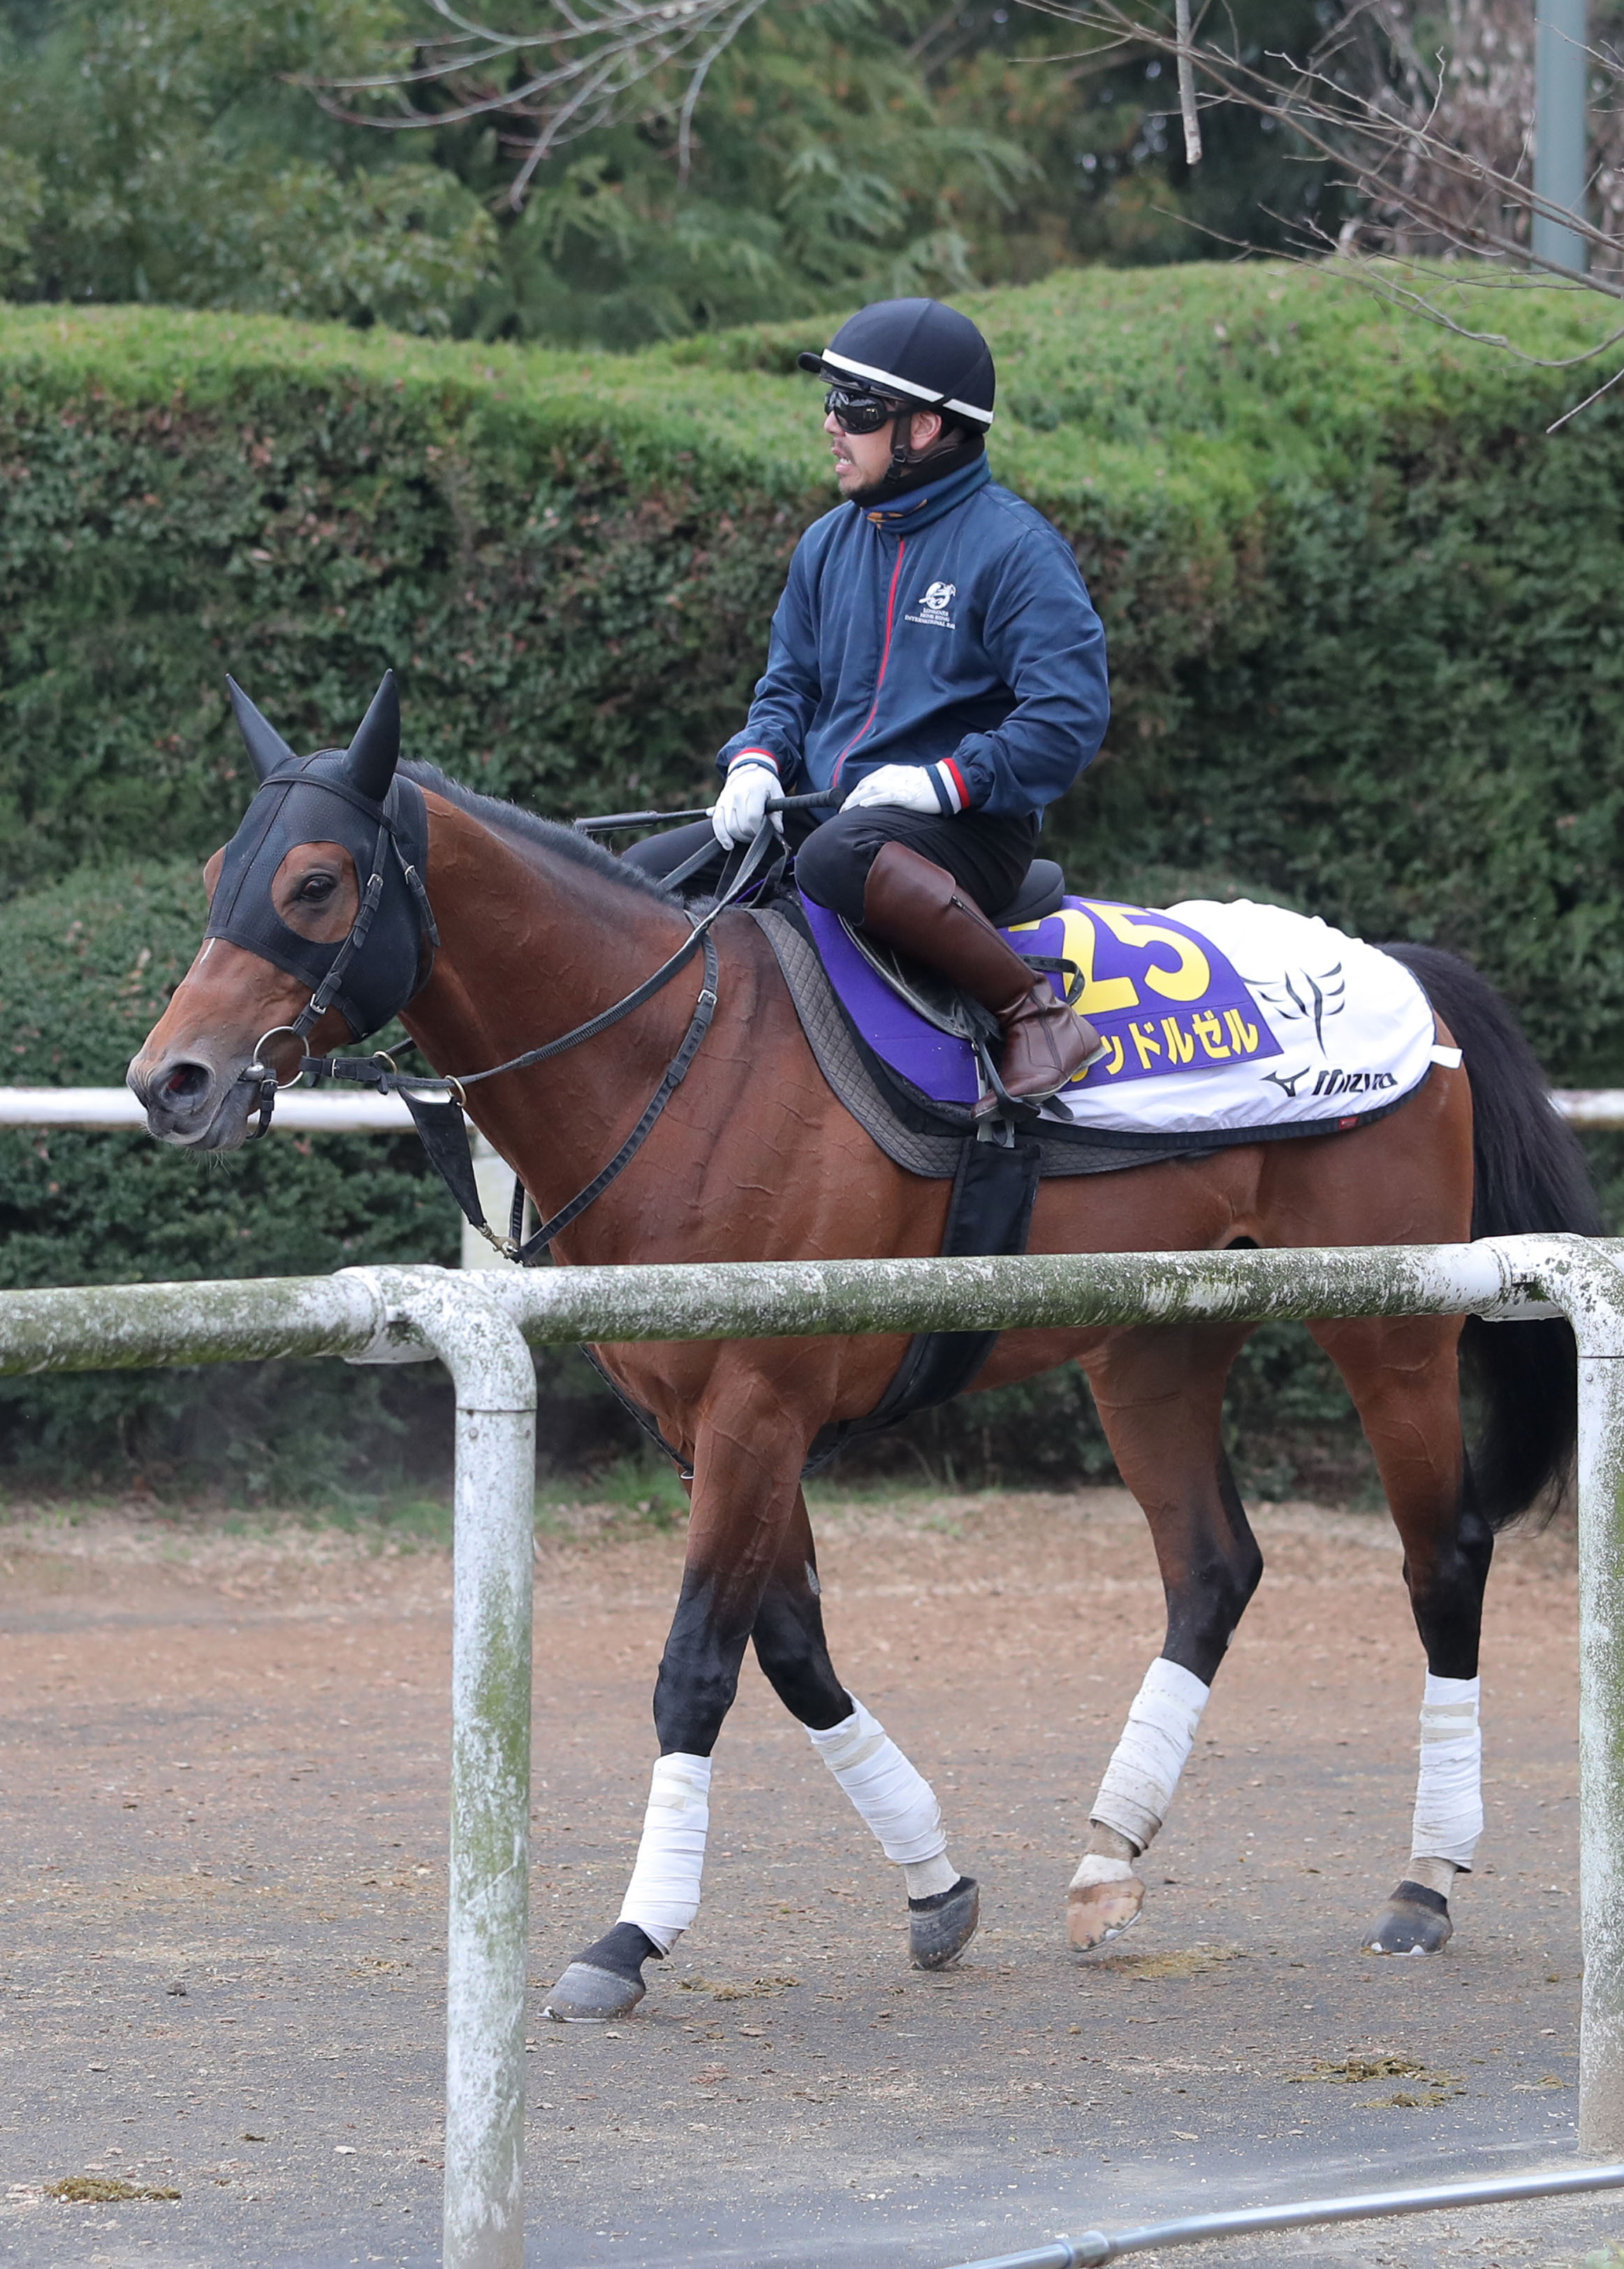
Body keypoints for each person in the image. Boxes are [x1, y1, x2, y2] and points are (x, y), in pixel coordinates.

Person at [626, 296, 1111, 1110]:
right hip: (831, 817)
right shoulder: (825, 544)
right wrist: (755, 761)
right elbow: (789, 688)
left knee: (834, 858)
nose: (831, 424)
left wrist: (945, 781)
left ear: (925, 427)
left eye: (855, 408)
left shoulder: (1018, 550)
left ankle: (1035, 1011)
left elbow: (1068, 719)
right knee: (635, 877)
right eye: (832, 402)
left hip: (965, 831)